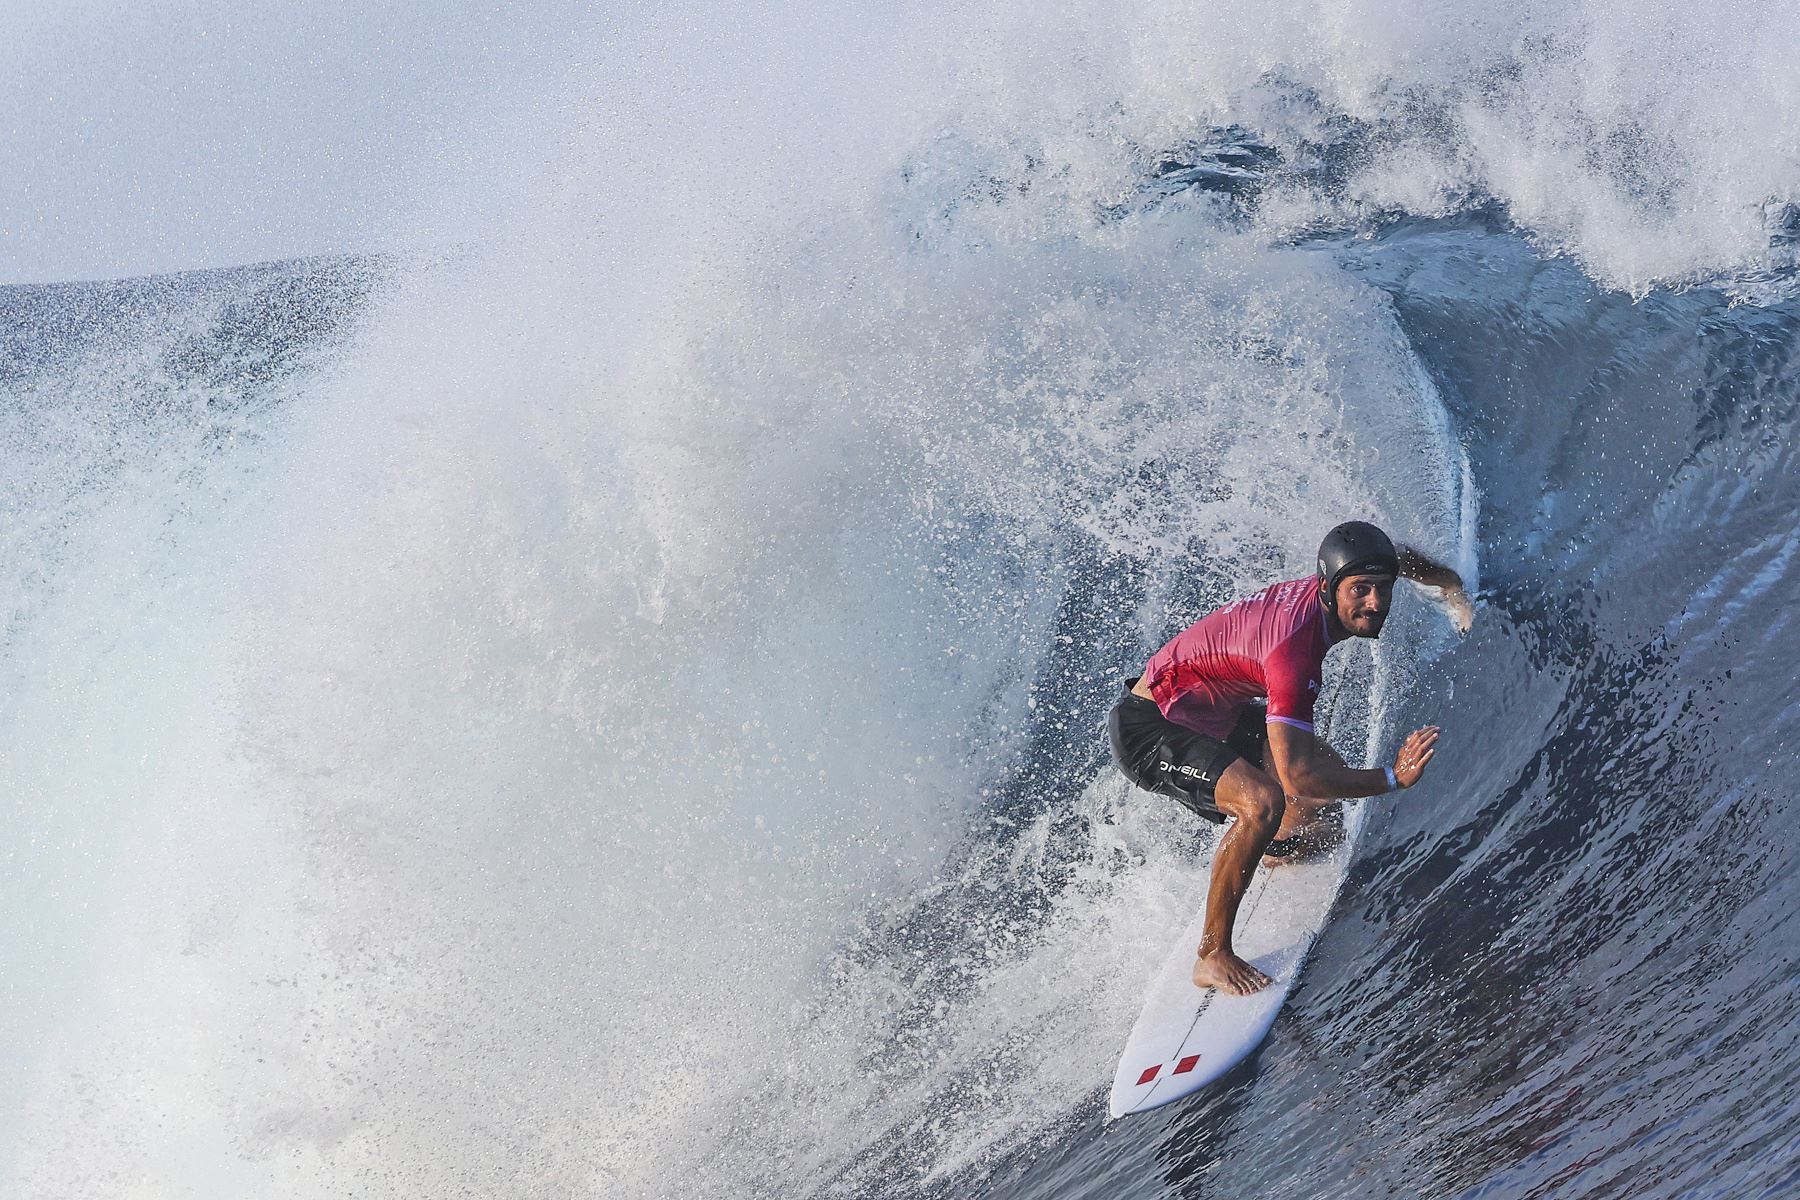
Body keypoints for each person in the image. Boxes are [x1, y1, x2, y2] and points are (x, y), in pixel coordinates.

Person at [1108, 521, 1473, 996]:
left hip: (1216, 709)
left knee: (1321, 808)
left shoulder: (1347, 580)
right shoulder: (1292, 655)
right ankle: (1212, 954)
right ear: (1327, 587)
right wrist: (1393, 778)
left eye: (1383, 589)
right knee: (1264, 801)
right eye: (1360, 591)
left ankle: (1275, 850)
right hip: (1151, 727)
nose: (1376, 603)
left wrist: (1450, 586)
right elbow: (1299, 777)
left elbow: (1398, 556)